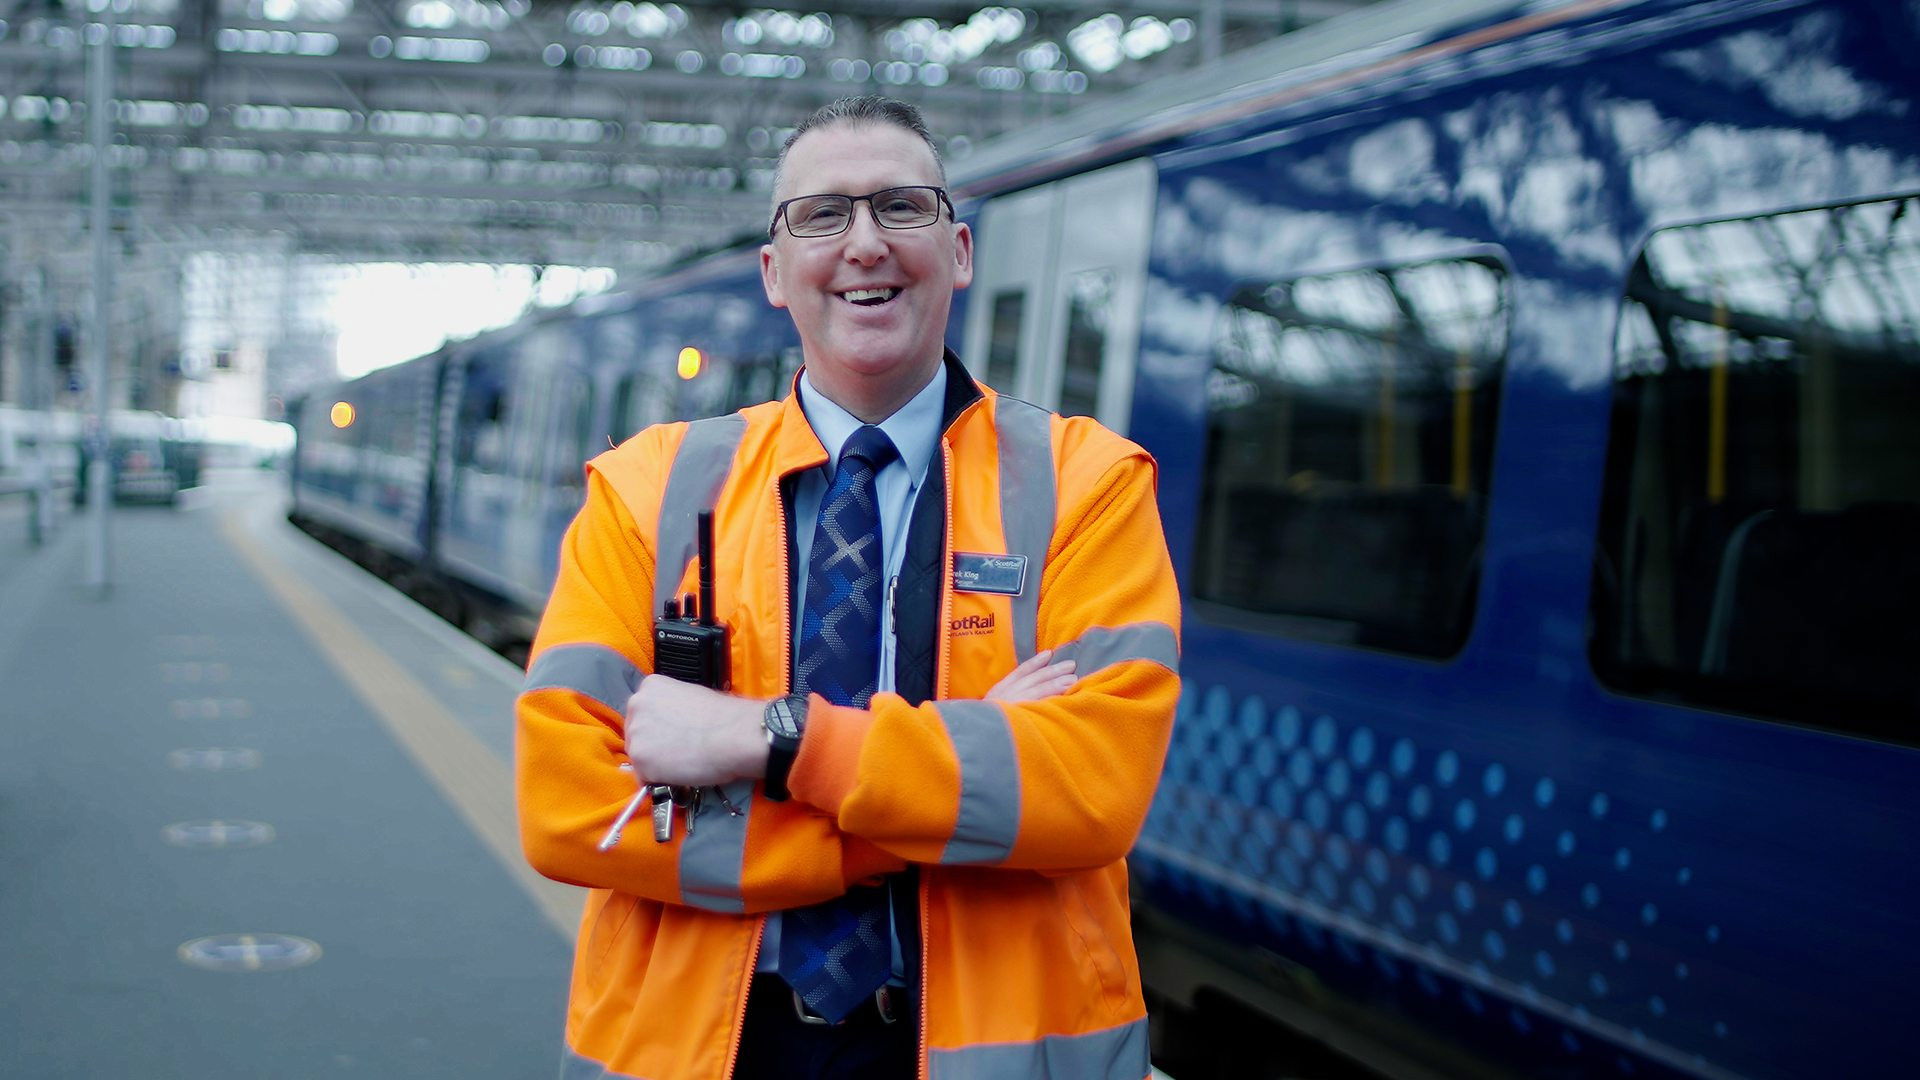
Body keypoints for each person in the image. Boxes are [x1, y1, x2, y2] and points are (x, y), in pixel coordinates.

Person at [516, 95, 1181, 1080]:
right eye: (823, 215)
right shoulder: (647, 491)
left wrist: (765, 740)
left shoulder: (1088, 486)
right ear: (775, 272)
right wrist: (936, 799)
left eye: (900, 208)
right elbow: (571, 806)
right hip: (705, 1049)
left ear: (957, 251)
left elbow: (1089, 793)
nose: (864, 243)